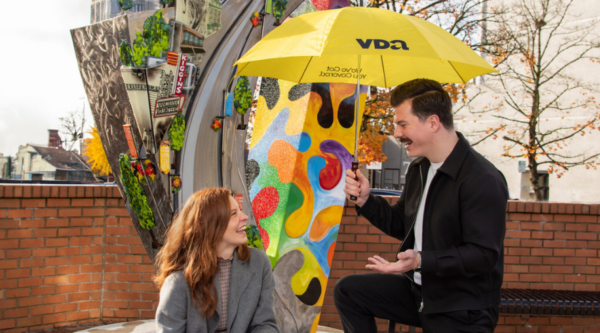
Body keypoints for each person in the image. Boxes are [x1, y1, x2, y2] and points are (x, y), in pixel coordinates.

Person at [335, 79, 509, 333]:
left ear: (433, 123)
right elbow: (402, 224)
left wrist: (421, 260)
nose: (396, 134)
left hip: (462, 308)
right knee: (349, 291)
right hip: (419, 292)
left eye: (403, 124)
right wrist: (365, 200)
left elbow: (483, 255)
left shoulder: (482, 178)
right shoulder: (420, 168)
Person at [155, 188, 280, 333]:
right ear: (210, 225)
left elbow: (266, 325)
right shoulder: (178, 282)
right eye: (234, 214)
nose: (245, 217)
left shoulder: (258, 263)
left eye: (240, 211)